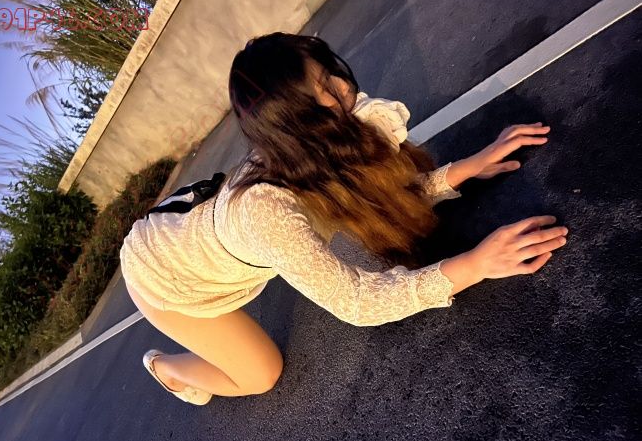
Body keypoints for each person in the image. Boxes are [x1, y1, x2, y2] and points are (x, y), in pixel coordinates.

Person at [120, 32, 568, 405]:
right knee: (262, 374)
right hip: (165, 277)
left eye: (328, 71)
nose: (341, 84)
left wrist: (467, 167)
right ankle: (167, 369)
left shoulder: (311, 143)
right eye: (324, 86)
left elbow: (378, 200)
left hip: (194, 234)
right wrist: (476, 264)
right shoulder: (269, 213)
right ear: (296, 119)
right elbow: (357, 301)